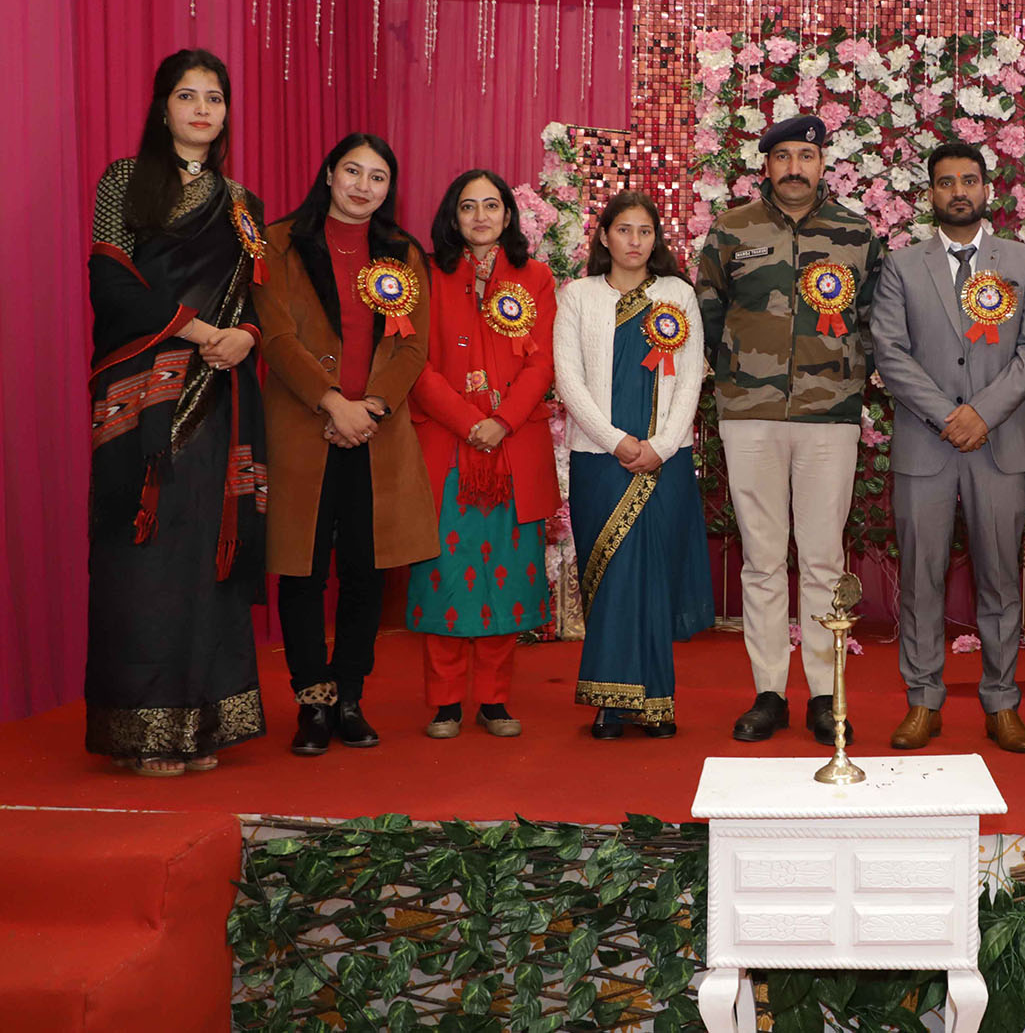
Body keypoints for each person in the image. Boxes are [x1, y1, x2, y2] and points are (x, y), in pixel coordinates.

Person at [84, 49, 268, 776]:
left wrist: (244, 336)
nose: (201, 109)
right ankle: (144, 728)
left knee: (204, 552)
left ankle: (202, 724)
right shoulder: (125, 181)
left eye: (214, 98)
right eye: (187, 96)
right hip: (142, 400)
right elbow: (110, 280)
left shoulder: (242, 202)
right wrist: (195, 330)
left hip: (218, 396)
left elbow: (256, 295)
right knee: (145, 555)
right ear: (163, 107)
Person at [695, 114, 884, 746]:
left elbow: (874, 321)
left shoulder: (856, 233)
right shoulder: (732, 229)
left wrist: (848, 380)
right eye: (783, 157)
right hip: (750, 415)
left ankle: (826, 695)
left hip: (829, 417)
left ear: (823, 163)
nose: (795, 168)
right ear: (767, 165)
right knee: (763, 559)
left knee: (825, 558)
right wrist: (734, 380)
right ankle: (769, 692)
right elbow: (708, 313)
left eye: (806, 156)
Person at [255, 134, 437, 756]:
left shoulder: (402, 252)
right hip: (303, 428)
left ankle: (350, 696)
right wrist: (333, 403)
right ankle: (312, 699)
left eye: (377, 177)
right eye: (353, 171)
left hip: (375, 435)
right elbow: (276, 337)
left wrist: (371, 407)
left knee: (366, 569)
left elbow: (413, 347)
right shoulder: (280, 242)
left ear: (389, 188)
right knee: (302, 569)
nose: (363, 186)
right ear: (330, 173)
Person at [873, 141, 1025, 754]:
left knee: (1001, 579)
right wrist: (950, 416)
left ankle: (1002, 703)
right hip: (927, 444)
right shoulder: (902, 266)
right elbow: (890, 352)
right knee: (919, 579)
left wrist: (983, 414)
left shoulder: (1023, 261)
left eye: (968, 180)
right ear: (930, 194)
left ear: (986, 190)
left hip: (999, 443)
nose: (958, 191)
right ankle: (923, 701)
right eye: (945, 182)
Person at [555, 192, 714, 738]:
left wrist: (660, 446)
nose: (634, 241)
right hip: (599, 460)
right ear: (604, 236)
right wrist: (618, 442)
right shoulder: (578, 296)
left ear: (656, 239)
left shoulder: (678, 295)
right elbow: (569, 379)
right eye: (624, 229)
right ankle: (610, 699)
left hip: (665, 463)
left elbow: (689, 378)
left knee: (653, 576)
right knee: (611, 574)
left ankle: (657, 701)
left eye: (645, 231)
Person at [407, 170, 558, 740]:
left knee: (506, 577)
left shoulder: (535, 277)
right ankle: (445, 702)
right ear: (453, 215)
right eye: (467, 206)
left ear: (508, 215)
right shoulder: (426, 275)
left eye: (491, 205)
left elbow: (542, 362)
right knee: (445, 574)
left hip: (513, 447)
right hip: (446, 448)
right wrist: (471, 424)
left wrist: (501, 421)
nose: (480, 216)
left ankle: (494, 700)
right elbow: (414, 362)